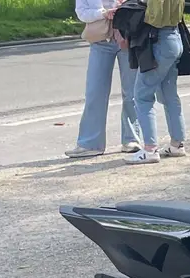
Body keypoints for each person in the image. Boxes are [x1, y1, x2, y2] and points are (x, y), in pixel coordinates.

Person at [64, 0, 141, 159]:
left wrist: (125, 7)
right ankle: (90, 143)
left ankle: (132, 139)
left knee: (131, 92)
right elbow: (82, 13)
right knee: (95, 92)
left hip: (127, 36)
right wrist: (103, 13)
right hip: (100, 40)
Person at [120, 0, 187, 164]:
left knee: (142, 95)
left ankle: (150, 149)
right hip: (175, 36)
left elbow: (154, 16)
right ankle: (177, 144)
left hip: (159, 40)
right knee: (169, 95)